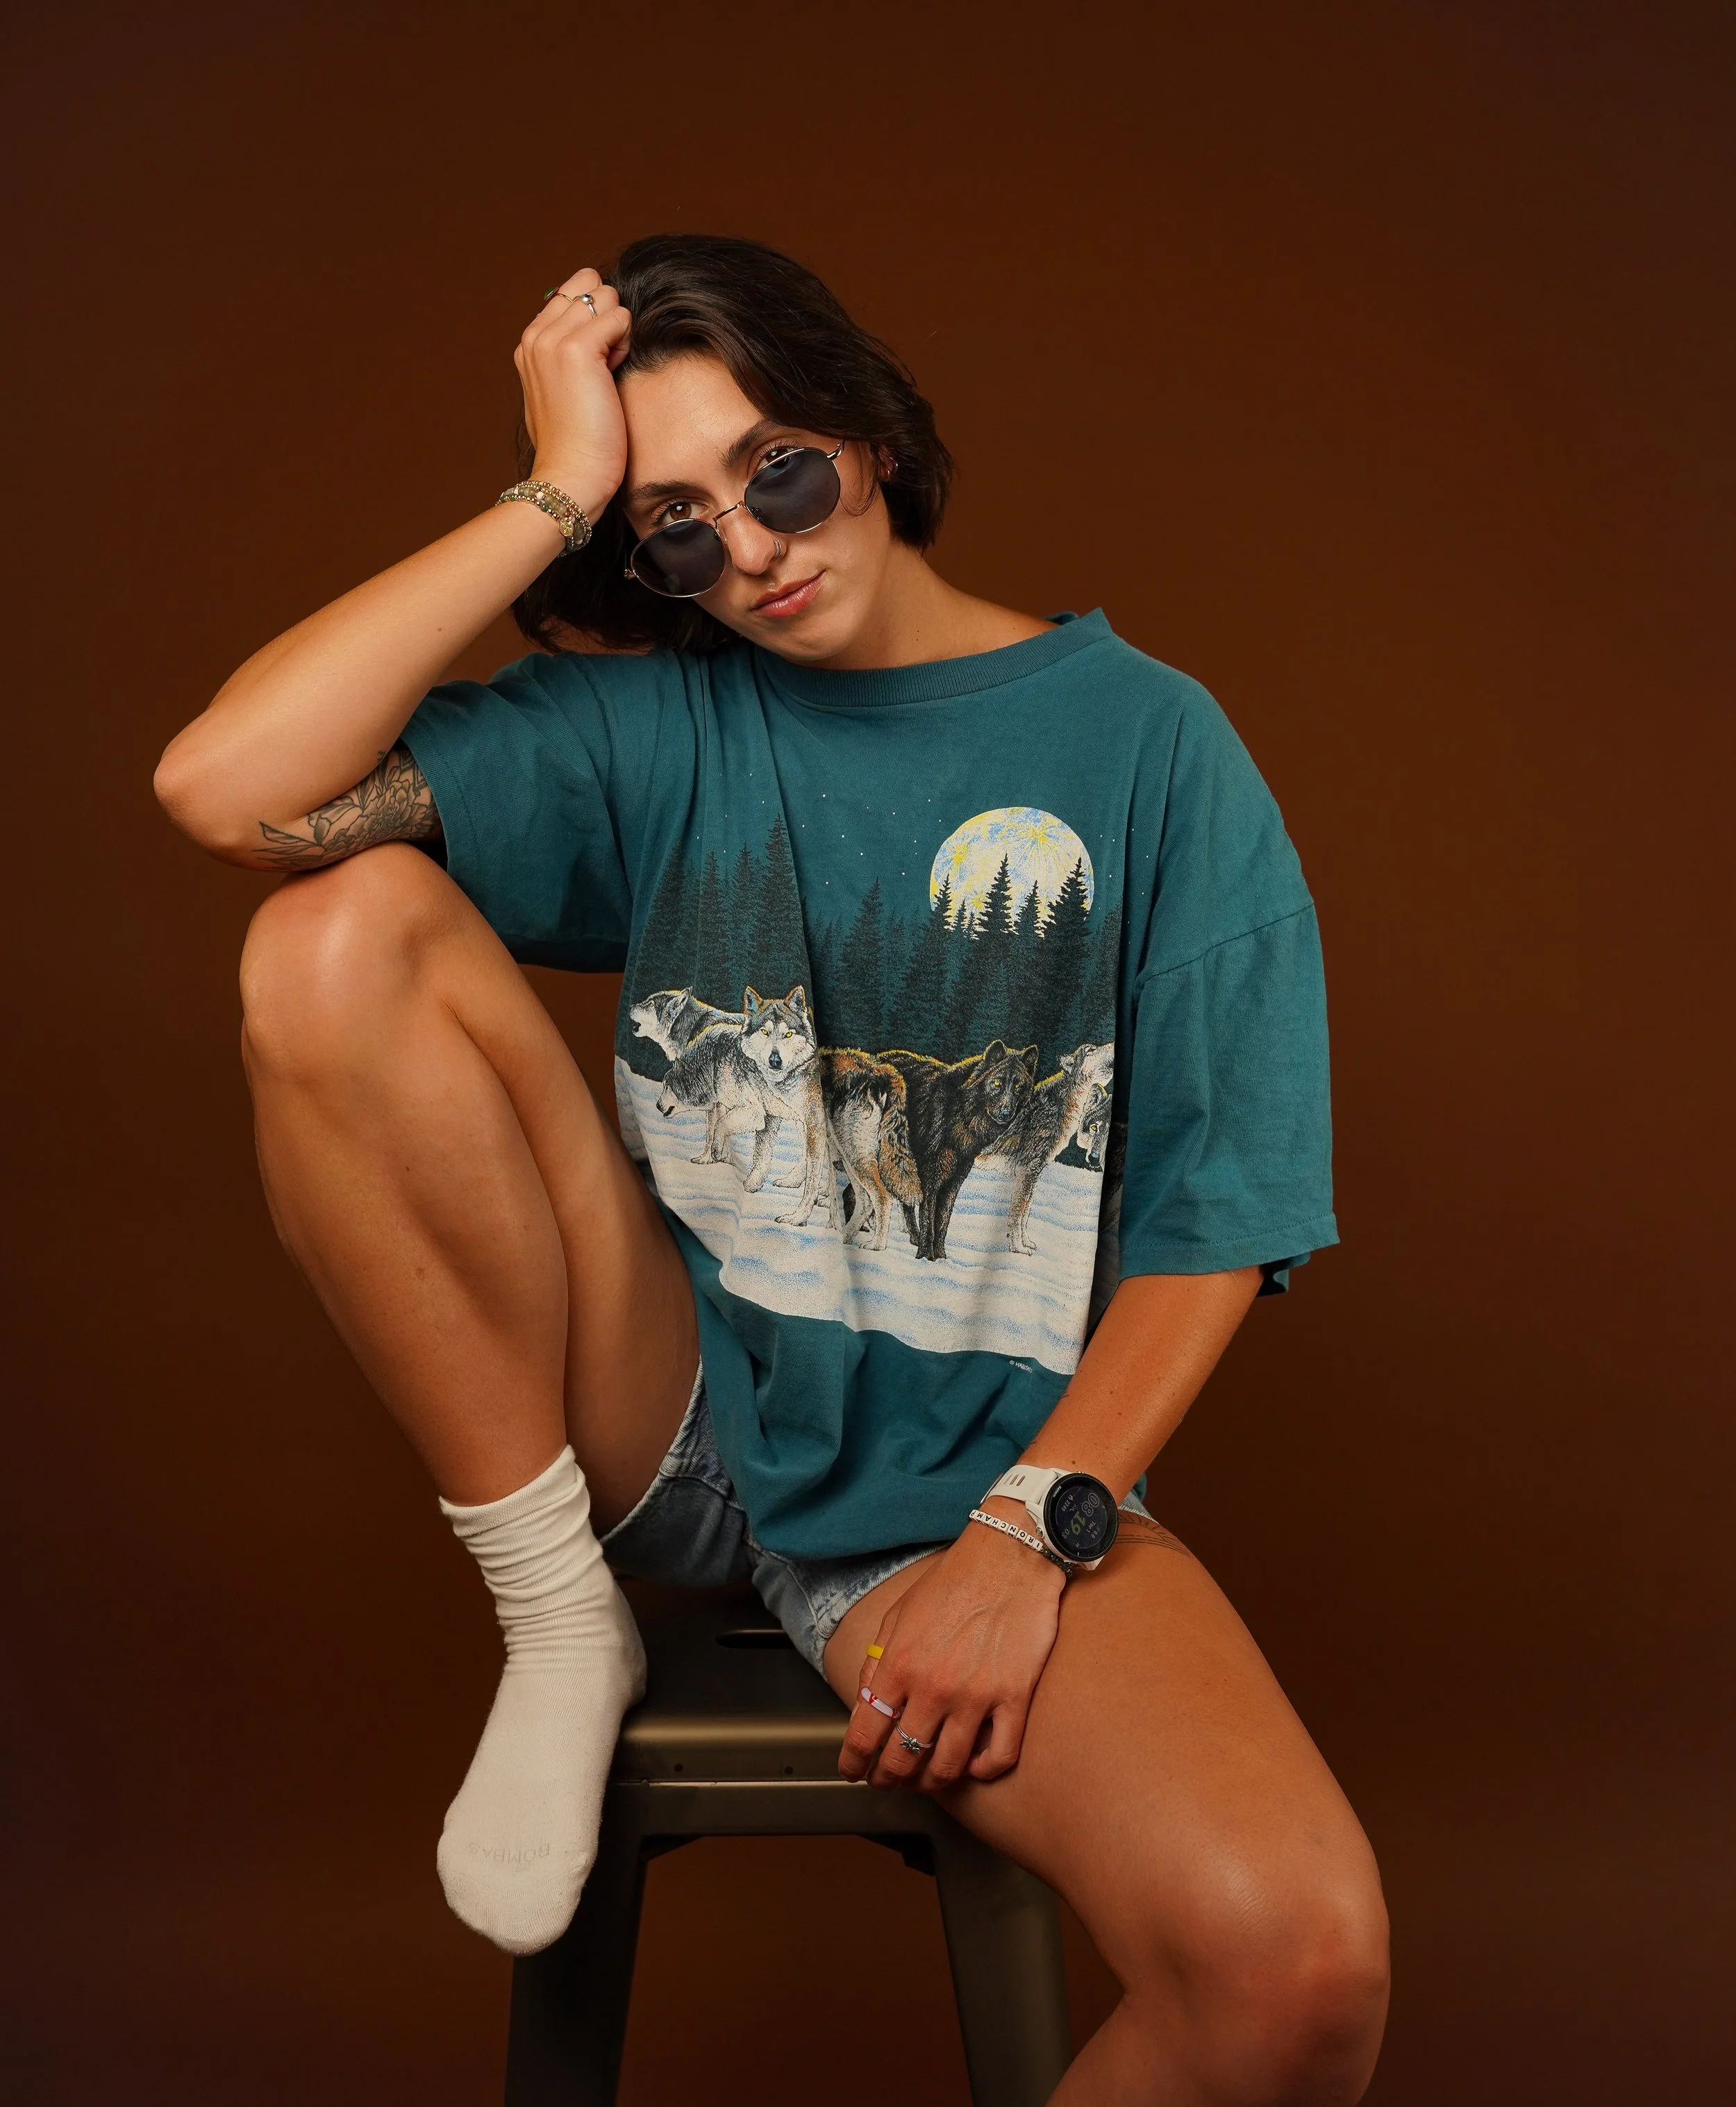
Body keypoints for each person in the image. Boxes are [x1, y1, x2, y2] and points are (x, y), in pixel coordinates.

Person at [156, 233, 1389, 2104]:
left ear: (867, 432)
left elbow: (1220, 1213)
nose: (748, 551)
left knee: (1293, 1973)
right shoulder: (658, 727)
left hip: (958, 1483)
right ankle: (552, 1613)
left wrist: (1024, 1536)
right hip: (660, 1413)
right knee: (329, 935)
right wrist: (553, 487)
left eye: (778, 474)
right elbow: (225, 790)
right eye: (672, 530)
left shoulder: (1149, 746)